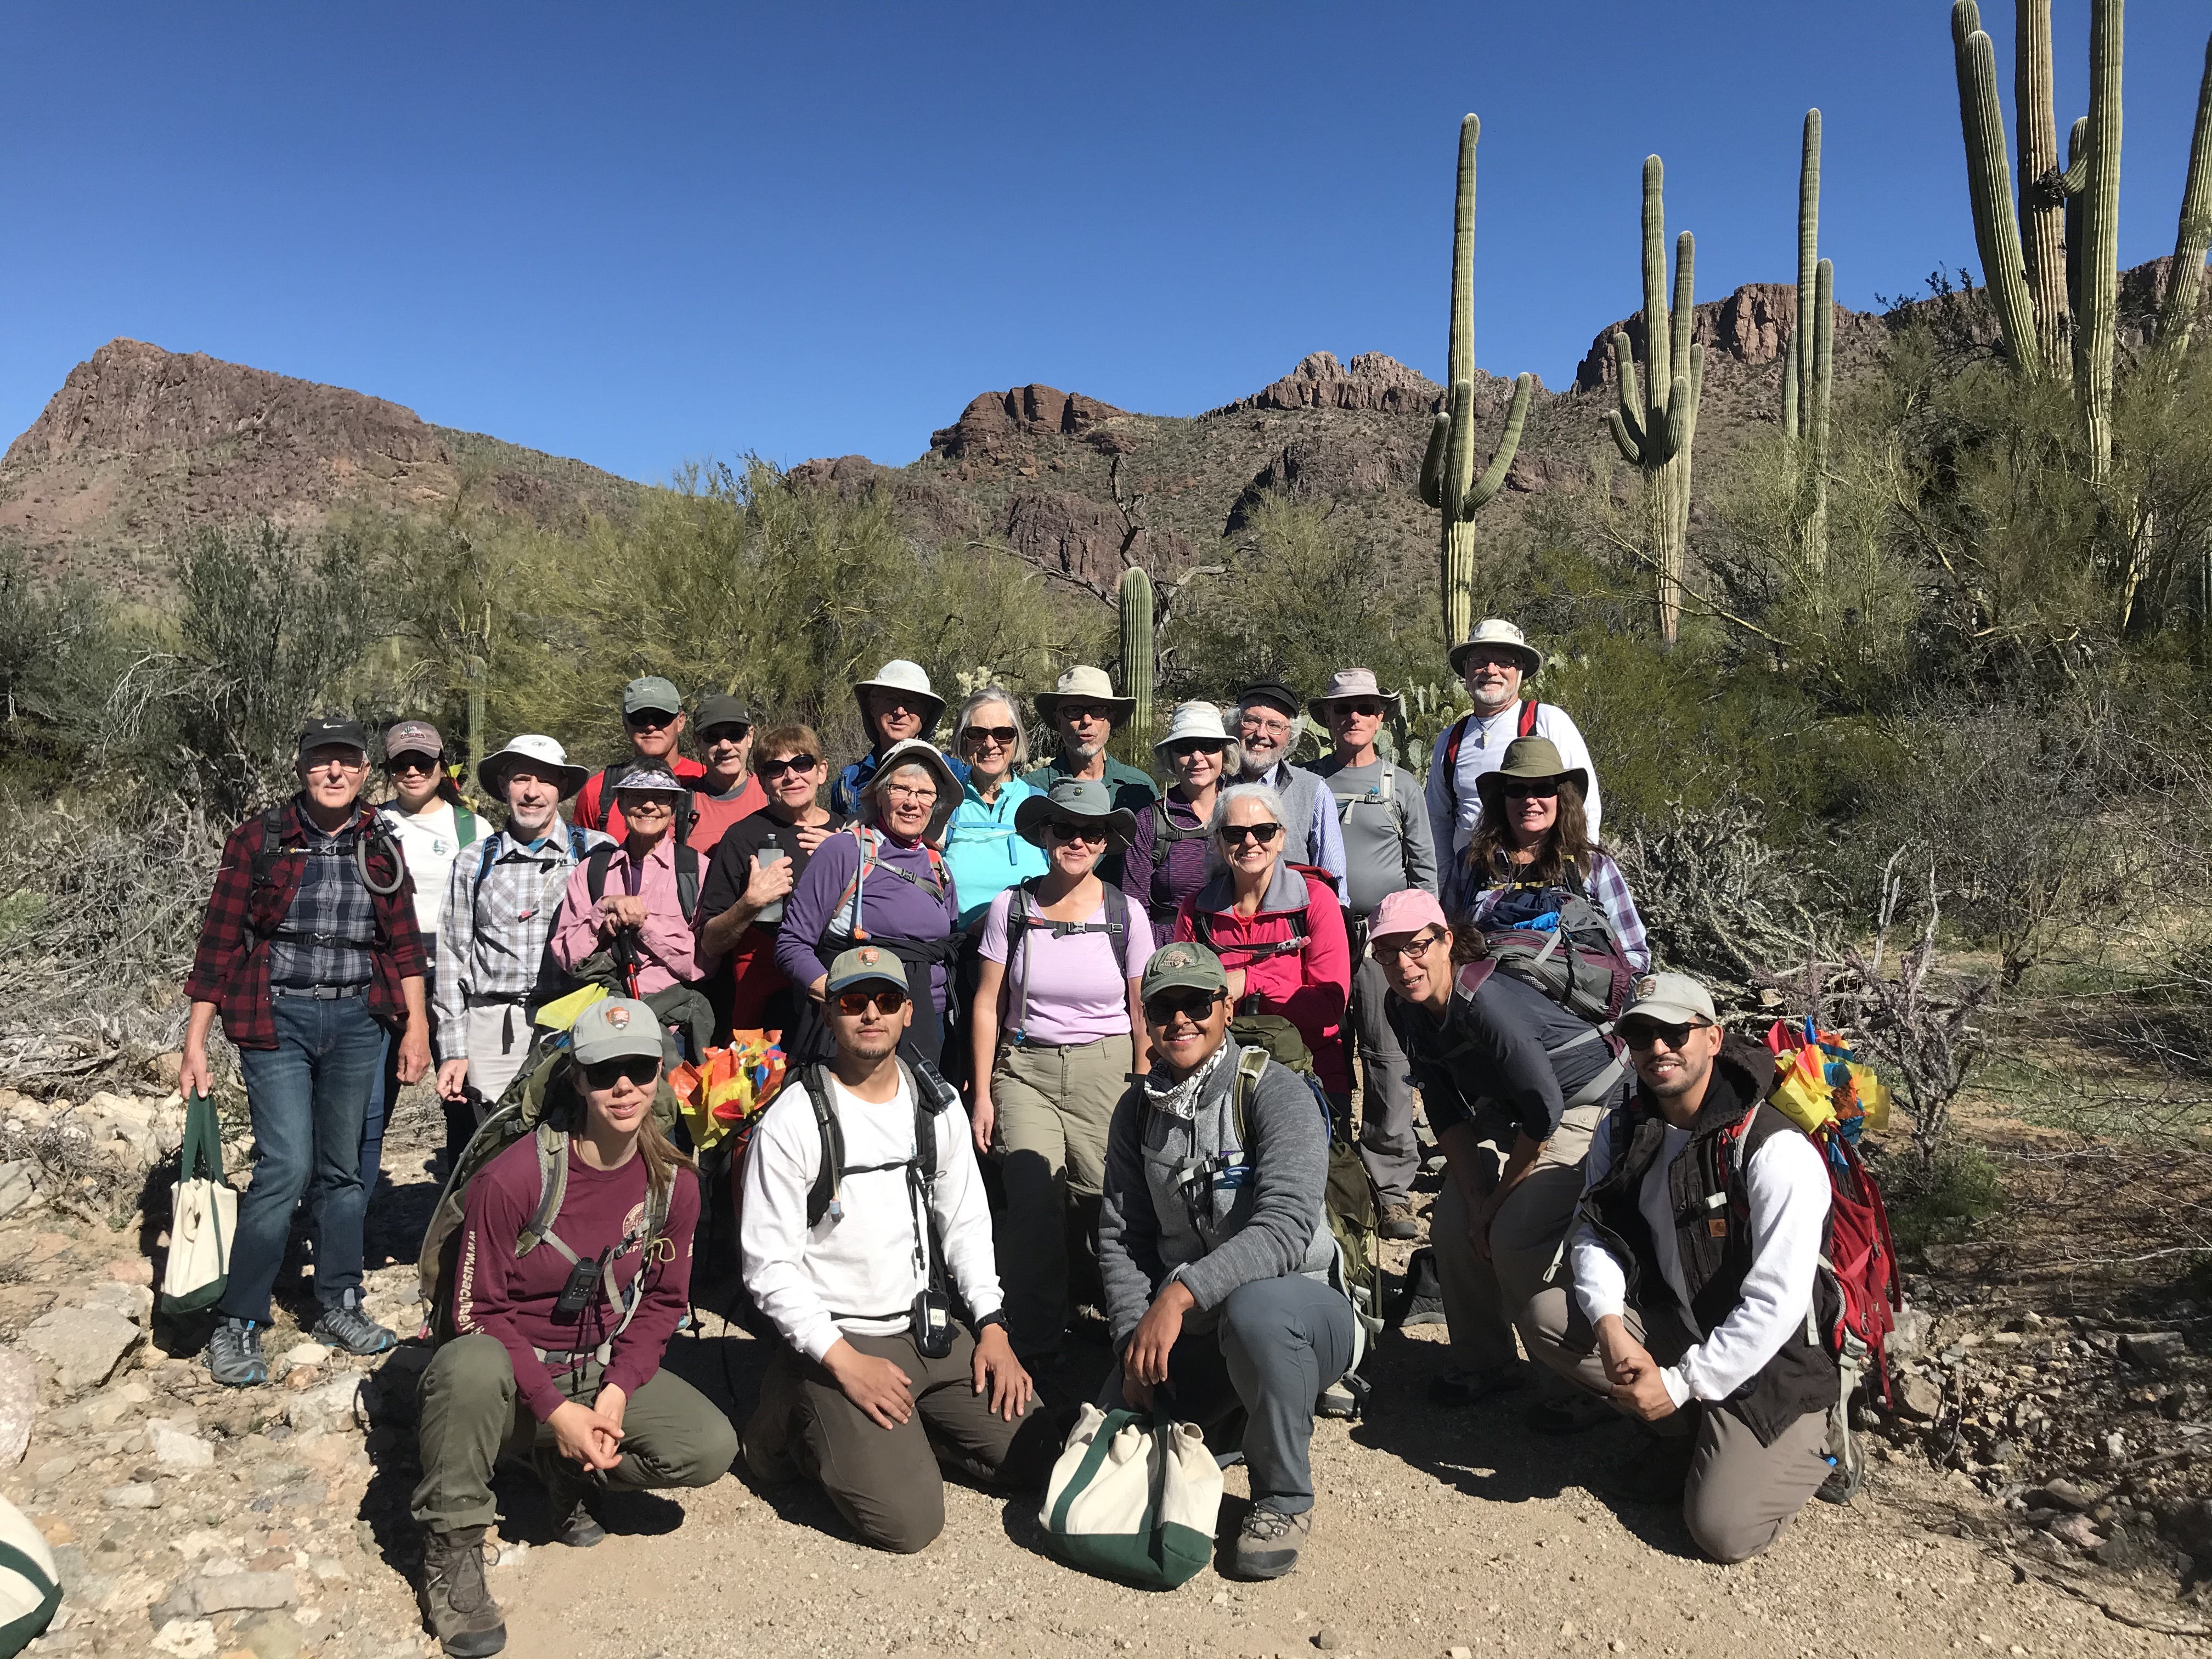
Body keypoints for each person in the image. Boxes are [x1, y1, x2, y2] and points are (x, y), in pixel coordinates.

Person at [412, 997, 736, 1656]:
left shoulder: (674, 1184)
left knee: (707, 1447)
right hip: (511, 1373)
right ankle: (454, 1545)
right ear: (578, 1080)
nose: (624, 1087)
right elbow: (475, 1314)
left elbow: (662, 1303)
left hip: (595, 1364)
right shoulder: (513, 1180)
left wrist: (614, 1393)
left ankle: (567, 1473)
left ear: (659, 1073)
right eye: (604, 1071)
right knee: (467, 1366)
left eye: (640, 1069)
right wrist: (557, 1412)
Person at [1525, 973, 1839, 1564]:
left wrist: (1679, 1383)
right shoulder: (1624, 1128)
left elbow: (1776, 1304)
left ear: (1714, 1039)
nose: (1658, 1048)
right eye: (1641, 1036)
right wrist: (1612, 1325)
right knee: (1550, 1316)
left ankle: (1822, 1447)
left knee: (1723, 1531)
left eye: (1675, 1031)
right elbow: (1595, 1230)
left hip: (1777, 1365)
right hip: (1679, 1323)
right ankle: (1686, 1436)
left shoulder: (1773, 1150)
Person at [740, 945, 1040, 1554]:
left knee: (1040, 1454)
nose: (869, 1014)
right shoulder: (794, 1119)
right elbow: (767, 1267)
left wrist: (991, 1325)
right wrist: (843, 1361)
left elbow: (965, 1223)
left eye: (885, 1000)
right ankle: (790, 1413)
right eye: (853, 1001)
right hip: (840, 1339)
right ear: (829, 1015)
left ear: (908, 1012)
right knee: (908, 1524)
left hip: (926, 1326)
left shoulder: (937, 1104)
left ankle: (906, 1425)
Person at [180, 715, 431, 1386]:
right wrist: (196, 1042)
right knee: (285, 1168)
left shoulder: (381, 842)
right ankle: (241, 1319)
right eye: (322, 761)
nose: (334, 773)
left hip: (358, 1021)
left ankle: (338, 1300)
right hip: (276, 1019)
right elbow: (219, 944)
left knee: (345, 1169)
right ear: (301, 768)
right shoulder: (260, 839)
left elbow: (403, 944)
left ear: (364, 772)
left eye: (347, 762)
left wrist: (417, 1028)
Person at [1097, 941, 1353, 1581]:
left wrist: (1178, 1296)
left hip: (1300, 1310)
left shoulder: (1275, 1091)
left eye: (1197, 1004)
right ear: (1146, 1020)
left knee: (1256, 1310)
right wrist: (1134, 1341)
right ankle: (1242, 1412)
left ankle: (1283, 1497)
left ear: (1226, 1008)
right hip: (1198, 1327)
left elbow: (1288, 1227)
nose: (1180, 1020)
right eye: (1163, 1008)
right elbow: (1121, 1236)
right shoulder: (1136, 1112)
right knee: (1117, 1437)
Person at [1372, 890, 1627, 1411]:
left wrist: (1494, 1204)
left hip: (1589, 1107)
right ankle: (1485, 1363)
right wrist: (1473, 1198)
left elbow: (1545, 1110)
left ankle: (1574, 1387)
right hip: (1516, 1113)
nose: (1404, 964)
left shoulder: (1484, 1002)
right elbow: (1442, 1106)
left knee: (1514, 1233)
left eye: (1417, 946)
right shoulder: (1402, 1006)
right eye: (1388, 953)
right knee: (1451, 1223)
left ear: (1445, 941)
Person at [967, 778, 1154, 1363]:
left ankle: (1130, 1339)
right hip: (1027, 1068)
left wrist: (1147, 1086)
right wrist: (982, 1094)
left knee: (1109, 1204)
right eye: (1065, 828)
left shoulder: (1127, 914)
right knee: (1032, 1204)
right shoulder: (1013, 907)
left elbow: (1141, 1009)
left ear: (1106, 841)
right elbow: (986, 1003)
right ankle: (1036, 1350)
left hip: (1109, 1068)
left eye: (1091, 831)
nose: (1077, 839)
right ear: (1045, 833)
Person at [1304, 670, 1436, 1241]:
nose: (1352, 717)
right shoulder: (1306, 782)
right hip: (1321, 936)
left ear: (1381, 718)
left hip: (1387, 942)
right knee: (1325, 1053)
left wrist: (1425, 939)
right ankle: (1333, 1180)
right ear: (1327, 719)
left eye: (1364, 708)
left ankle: (1390, 1190)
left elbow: (1424, 866)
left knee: (1388, 1059)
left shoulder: (1401, 784)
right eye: (1342, 709)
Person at [433, 736, 608, 1128]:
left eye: (545, 781)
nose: (532, 793)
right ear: (503, 787)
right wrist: (453, 1050)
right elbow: (452, 961)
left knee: (578, 1139)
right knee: (499, 1144)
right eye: (521, 780)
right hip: (496, 1026)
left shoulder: (597, 854)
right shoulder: (474, 862)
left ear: (561, 789)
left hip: (576, 1019)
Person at [777, 740, 963, 1068]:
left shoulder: (938, 866)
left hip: (927, 1024)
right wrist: (839, 1001)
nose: (912, 802)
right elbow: (792, 944)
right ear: (878, 794)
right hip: (859, 1024)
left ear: (936, 804)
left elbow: (946, 945)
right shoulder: (844, 852)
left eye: (924, 794)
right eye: (900, 789)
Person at [362, 720, 483, 1215]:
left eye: (423, 762)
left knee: (463, 1101)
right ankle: (351, 1218)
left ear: (441, 765)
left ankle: (463, 1218)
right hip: (388, 974)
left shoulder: (472, 827)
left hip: (455, 977)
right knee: (370, 1105)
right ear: (388, 770)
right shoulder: (370, 822)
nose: (412, 771)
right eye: (400, 764)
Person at [1173, 782, 1351, 1114]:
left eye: (1264, 831)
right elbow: (1182, 1002)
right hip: (1219, 1079)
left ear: (1281, 838)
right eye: (1235, 833)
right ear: (1219, 841)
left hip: (1309, 1070)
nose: (1250, 841)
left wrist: (1250, 982)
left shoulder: (1315, 902)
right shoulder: (1197, 911)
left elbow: (1330, 1006)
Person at [695, 727, 847, 1039]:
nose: (791, 776)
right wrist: (751, 903)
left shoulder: (849, 833)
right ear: (762, 781)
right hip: (770, 1003)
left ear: (821, 771)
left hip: (842, 987)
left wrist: (843, 856)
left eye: (802, 764)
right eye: (776, 769)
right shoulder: (742, 837)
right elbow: (710, 943)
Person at [549, 768, 710, 1060]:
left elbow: (701, 964)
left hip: (674, 1030)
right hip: (603, 1027)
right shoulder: (591, 871)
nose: (649, 806)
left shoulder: (697, 871)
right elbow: (566, 957)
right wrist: (602, 914)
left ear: (673, 807)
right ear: (621, 804)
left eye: (661, 798)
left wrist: (642, 926)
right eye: (637, 796)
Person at [1424, 619, 1601, 884]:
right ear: (1466, 669)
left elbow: (1584, 805)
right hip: (1473, 885)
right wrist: (1447, 887)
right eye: (1479, 660)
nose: (1490, 670)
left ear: (1519, 670)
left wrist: (1581, 879)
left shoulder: (1546, 722)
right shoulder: (1450, 740)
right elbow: (1438, 820)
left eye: (1504, 662)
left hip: (1545, 880)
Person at [1455, 737, 1650, 968]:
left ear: (1561, 797)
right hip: (1491, 995)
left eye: (1543, 789)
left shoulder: (1593, 866)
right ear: (1502, 799)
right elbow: (1448, 940)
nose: (1529, 800)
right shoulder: (1474, 863)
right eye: (1517, 790)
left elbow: (1634, 953)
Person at [1021, 665, 1158, 888]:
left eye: (1098, 710)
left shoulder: (1139, 789)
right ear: (1058, 719)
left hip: (1122, 917)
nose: (1086, 720)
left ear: (1111, 718)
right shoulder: (1031, 790)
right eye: (1074, 710)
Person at [1119, 700, 1237, 931]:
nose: (1197, 757)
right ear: (1170, 758)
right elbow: (1133, 905)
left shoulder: (1242, 811)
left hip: (1234, 944)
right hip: (1172, 950)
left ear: (1223, 753)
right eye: (1185, 747)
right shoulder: (1150, 821)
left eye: (1208, 746)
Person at [944, 685, 1047, 929]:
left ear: (1017, 739)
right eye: (977, 733)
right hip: (959, 952)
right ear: (963, 740)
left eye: (1003, 733)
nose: (990, 744)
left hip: (1029, 951)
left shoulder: (1040, 806)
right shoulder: (946, 804)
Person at [1231, 680, 1346, 885]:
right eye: (1251, 721)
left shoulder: (1312, 790)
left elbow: (1332, 878)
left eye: (1274, 726)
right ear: (1235, 725)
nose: (1261, 734)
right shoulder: (1215, 784)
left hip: (1294, 914)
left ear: (1289, 736)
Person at [572, 676, 707, 839]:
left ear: (681, 722)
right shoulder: (598, 791)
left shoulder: (705, 782)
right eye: (640, 718)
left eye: (661, 717)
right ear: (625, 724)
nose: (650, 727)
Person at [831, 659, 969, 817]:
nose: (900, 711)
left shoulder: (955, 774)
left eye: (910, 702)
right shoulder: (849, 783)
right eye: (891, 700)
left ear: (925, 713)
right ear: (873, 707)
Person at [685, 691, 766, 855]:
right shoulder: (680, 807)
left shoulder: (773, 795)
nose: (725, 746)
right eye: (712, 736)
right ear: (698, 742)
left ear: (750, 737)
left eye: (735, 734)